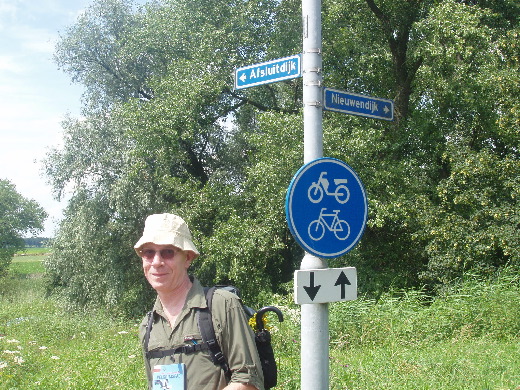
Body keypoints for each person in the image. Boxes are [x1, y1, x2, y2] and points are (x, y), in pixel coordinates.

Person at [135, 213, 264, 390]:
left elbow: (248, 381)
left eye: (167, 252)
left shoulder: (222, 305)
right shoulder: (148, 326)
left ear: (187, 257)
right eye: (149, 252)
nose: (157, 262)